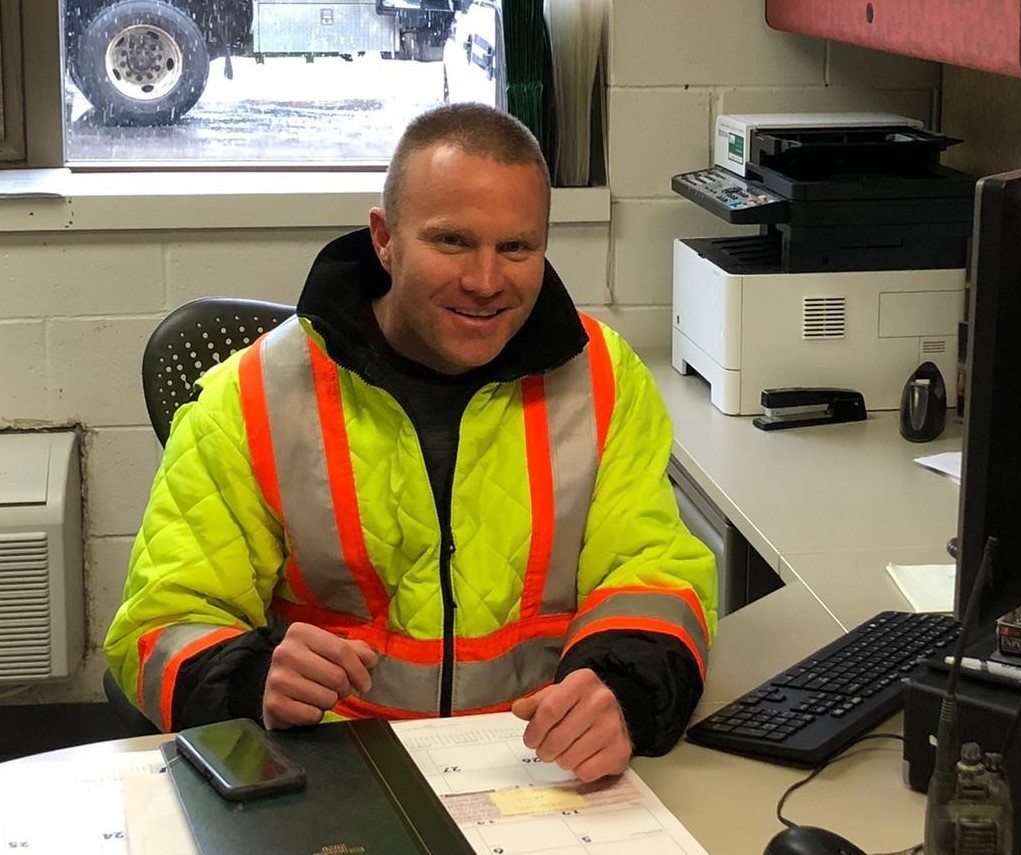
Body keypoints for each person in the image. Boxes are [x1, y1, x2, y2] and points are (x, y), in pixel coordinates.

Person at [105, 102, 717, 783]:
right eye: (452, 242)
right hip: (335, 774)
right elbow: (161, 623)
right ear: (385, 238)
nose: (486, 282)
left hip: (538, 773)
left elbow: (655, 573)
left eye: (517, 247)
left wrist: (621, 694)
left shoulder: (602, 378)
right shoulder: (251, 397)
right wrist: (253, 682)